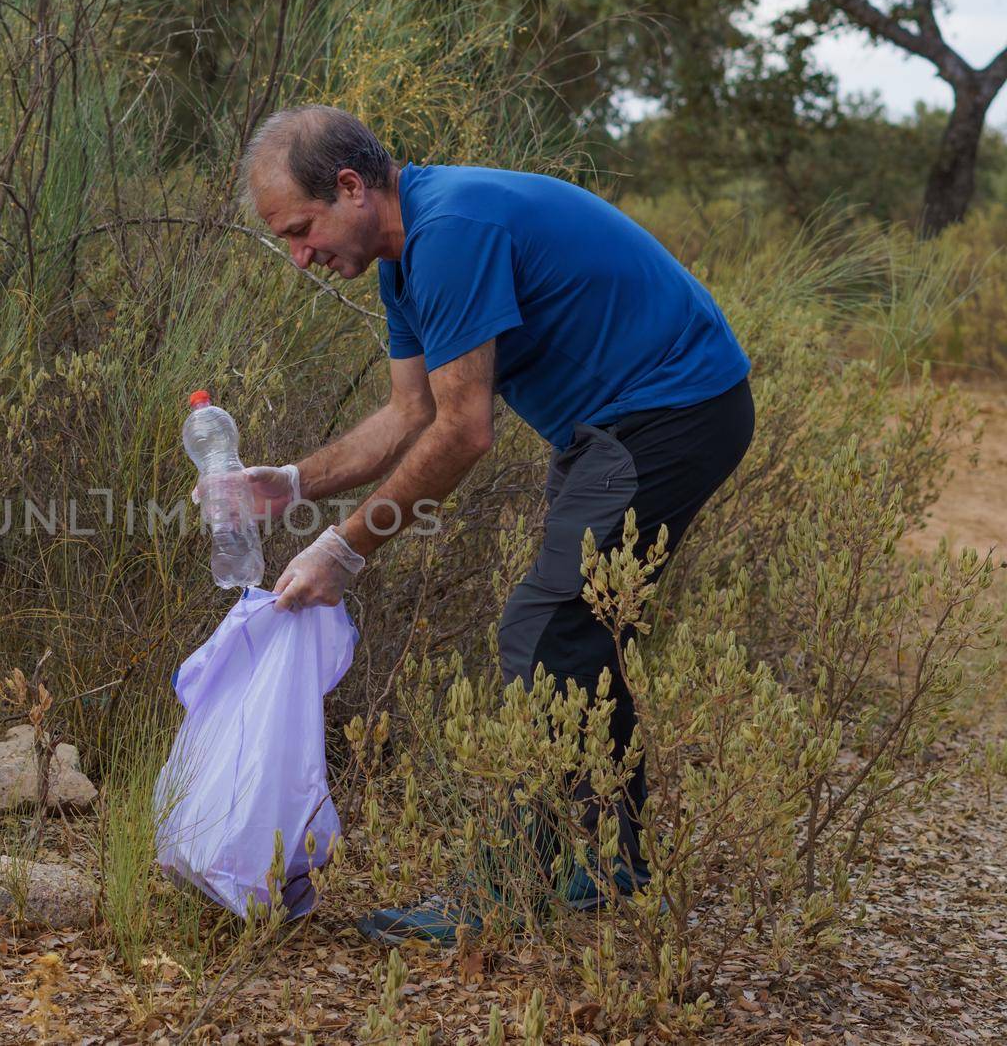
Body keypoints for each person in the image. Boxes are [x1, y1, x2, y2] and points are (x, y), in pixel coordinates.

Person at [233, 105, 755, 947]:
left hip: (674, 410)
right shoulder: (403, 261)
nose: (299, 255)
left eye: (301, 229)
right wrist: (292, 483)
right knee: (574, 626)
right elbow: (410, 412)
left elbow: (463, 431)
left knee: (546, 628)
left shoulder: (452, 234)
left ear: (352, 188)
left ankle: (513, 881)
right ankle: (614, 860)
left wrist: (342, 549)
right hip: (617, 424)